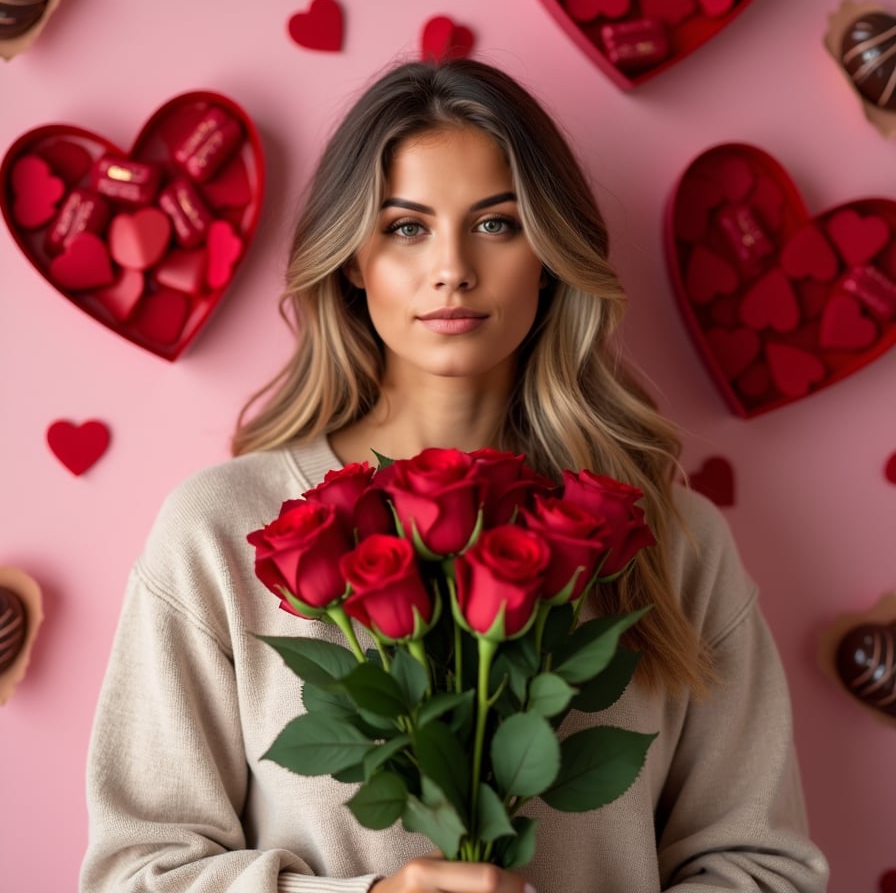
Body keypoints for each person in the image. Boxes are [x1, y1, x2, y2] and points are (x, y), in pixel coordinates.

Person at [80, 58, 830, 893]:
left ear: (549, 255)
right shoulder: (220, 531)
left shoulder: (669, 542)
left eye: (497, 224)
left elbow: (764, 868)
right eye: (407, 227)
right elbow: (134, 873)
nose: (453, 269)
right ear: (353, 260)